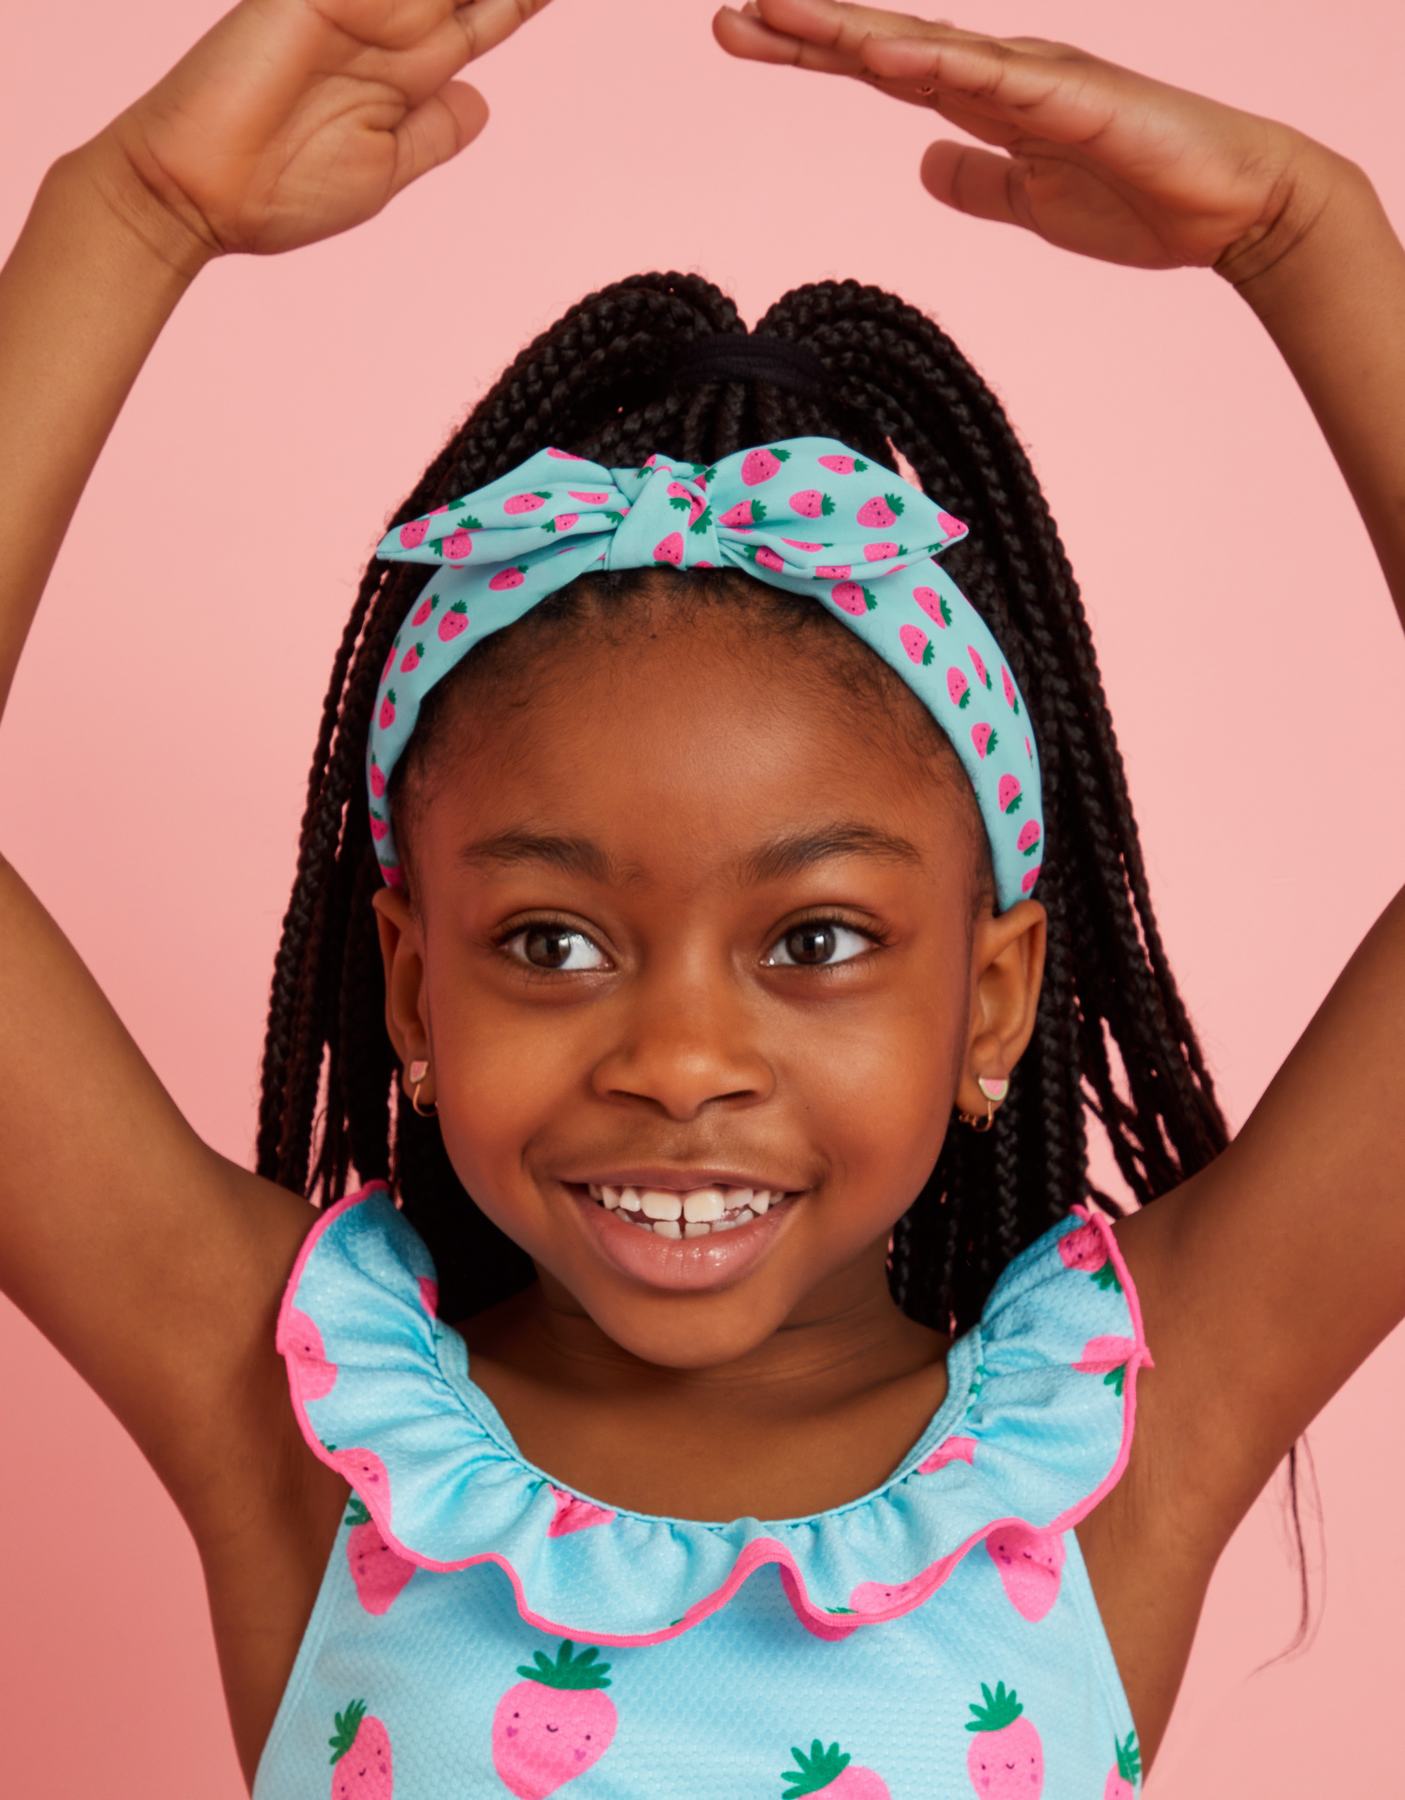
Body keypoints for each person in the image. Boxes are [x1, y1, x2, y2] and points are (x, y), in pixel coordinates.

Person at [2, 0, 1402, 1794]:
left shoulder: (1121, 1440)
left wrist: (1310, 237)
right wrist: (123, 214)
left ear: (989, 1001)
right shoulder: (303, 1428)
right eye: (550, 942)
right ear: (414, 991)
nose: (676, 1057)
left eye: (814, 941)